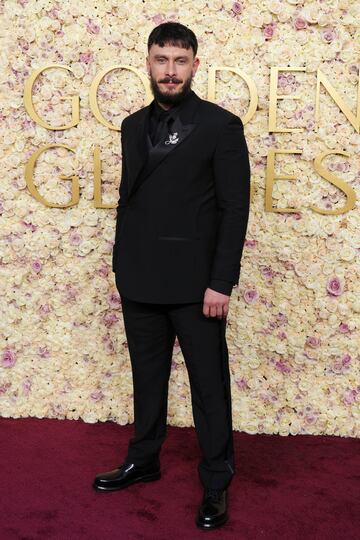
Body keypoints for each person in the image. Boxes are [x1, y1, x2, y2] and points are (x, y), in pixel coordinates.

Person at [93, 21, 251, 530]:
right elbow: (132, 202)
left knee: (209, 387)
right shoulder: (132, 125)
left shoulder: (220, 126)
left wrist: (221, 282)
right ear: (148, 62)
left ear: (195, 66)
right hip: (139, 277)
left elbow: (234, 208)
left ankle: (216, 482)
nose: (170, 70)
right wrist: (121, 263)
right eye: (161, 60)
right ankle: (144, 459)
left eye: (180, 61)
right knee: (146, 378)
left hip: (196, 285)